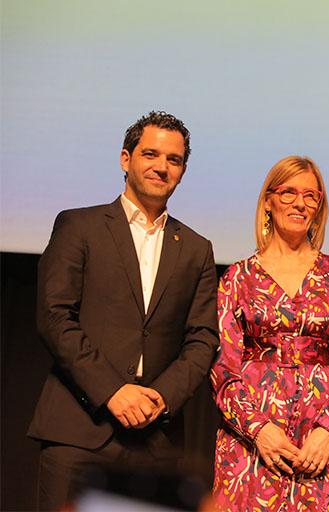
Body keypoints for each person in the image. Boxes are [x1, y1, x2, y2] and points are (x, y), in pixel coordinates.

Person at [28, 111, 219, 510]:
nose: (162, 167)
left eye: (174, 159)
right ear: (125, 158)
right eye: (151, 154)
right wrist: (112, 391)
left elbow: (202, 339)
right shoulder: (79, 226)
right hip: (80, 431)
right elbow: (54, 316)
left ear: (183, 171)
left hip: (155, 442)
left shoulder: (197, 247)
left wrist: (159, 398)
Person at [210, 156, 329, 511]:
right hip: (250, 442)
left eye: (311, 196)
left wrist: (327, 432)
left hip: (320, 445)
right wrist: (260, 431)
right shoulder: (238, 278)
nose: (300, 203)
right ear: (268, 200)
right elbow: (222, 372)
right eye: (289, 193)